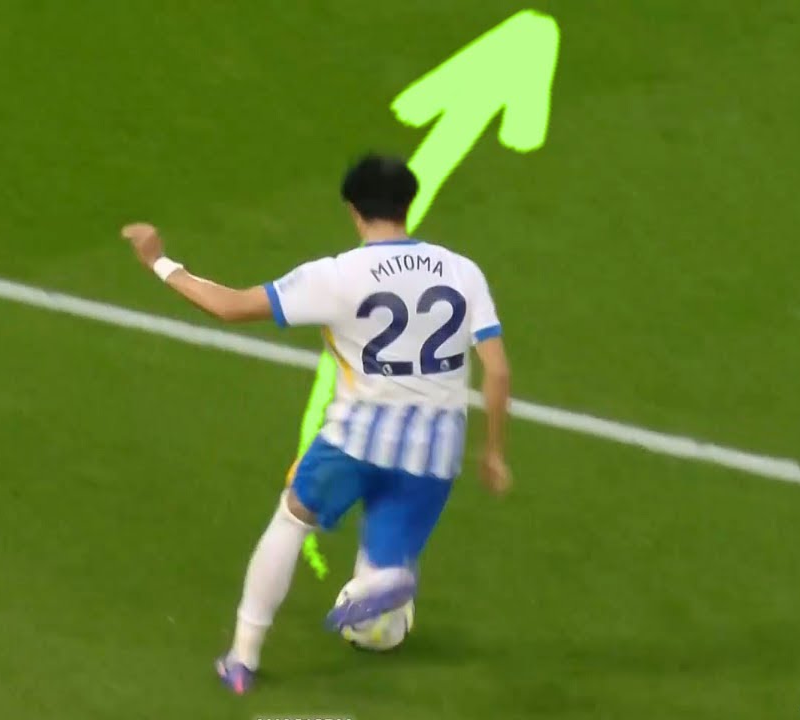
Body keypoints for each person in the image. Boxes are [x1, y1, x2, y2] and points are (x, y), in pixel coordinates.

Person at [120, 153, 512, 695]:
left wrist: (160, 262)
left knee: (292, 519)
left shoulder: (336, 275)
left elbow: (230, 306)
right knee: (385, 562)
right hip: (434, 451)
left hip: (355, 440)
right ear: (409, 204)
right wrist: (493, 452)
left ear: (353, 210)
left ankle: (242, 659)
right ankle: (385, 579)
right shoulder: (464, 272)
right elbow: (497, 370)